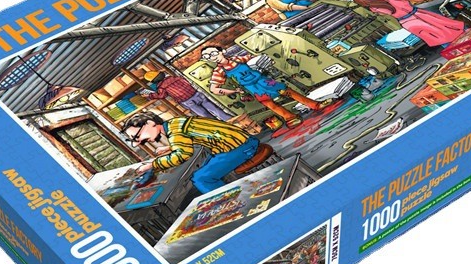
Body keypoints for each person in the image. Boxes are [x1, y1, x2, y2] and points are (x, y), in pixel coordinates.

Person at [122, 112, 272, 194]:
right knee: (205, 166)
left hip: (239, 147)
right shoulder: (175, 123)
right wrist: (169, 148)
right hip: (238, 142)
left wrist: (152, 165)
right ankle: (230, 189)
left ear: (150, 123)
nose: (139, 141)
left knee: (200, 178)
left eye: (137, 136)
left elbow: (182, 155)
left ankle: (231, 201)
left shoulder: (174, 131)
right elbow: (190, 138)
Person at [201, 44, 324, 128]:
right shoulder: (218, 71)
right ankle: (290, 118)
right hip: (253, 88)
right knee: (269, 104)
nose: (212, 57)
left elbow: (255, 59)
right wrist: (234, 91)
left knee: (287, 91)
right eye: (207, 56)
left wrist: (266, 62)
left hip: (264, 80)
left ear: (222, 52)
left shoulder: (237, 59)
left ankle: (315, 105)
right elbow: (214, 89)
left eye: (213, 53)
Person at [347, 0, 465, 48]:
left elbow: (395, 9)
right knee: (451, 29)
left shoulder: (373, 6)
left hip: (408, 23)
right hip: (418, 16)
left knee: (441, 38)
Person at [137, 70, 231, 120]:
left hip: (187, 101)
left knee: (204, 114)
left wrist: (150, 95)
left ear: (154, 81)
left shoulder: (162, 87)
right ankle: (228, 119)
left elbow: (161, 96)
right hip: (197, 94)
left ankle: (218, 125)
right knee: (214, 108)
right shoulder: (176, 77)